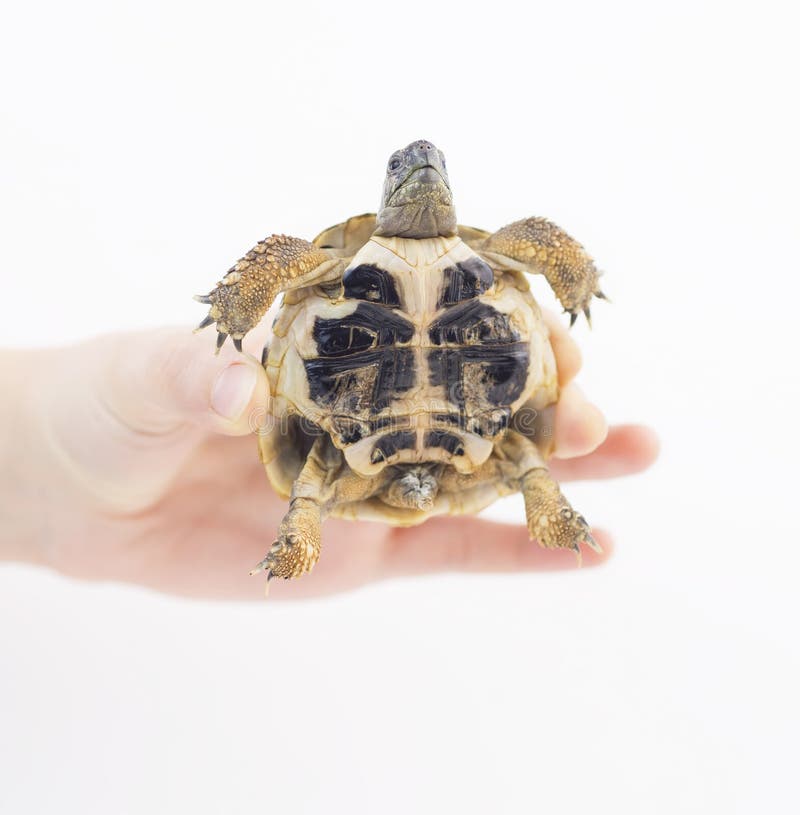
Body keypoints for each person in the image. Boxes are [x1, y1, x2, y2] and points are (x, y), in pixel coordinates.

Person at [0, 313, 658, 600]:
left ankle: (296, 541)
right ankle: (296, 542)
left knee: (528, 460)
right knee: (530, 460)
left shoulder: (336, 470)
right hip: (390, 425)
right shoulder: (334, 259)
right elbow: (527, 462)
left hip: (368, 434)